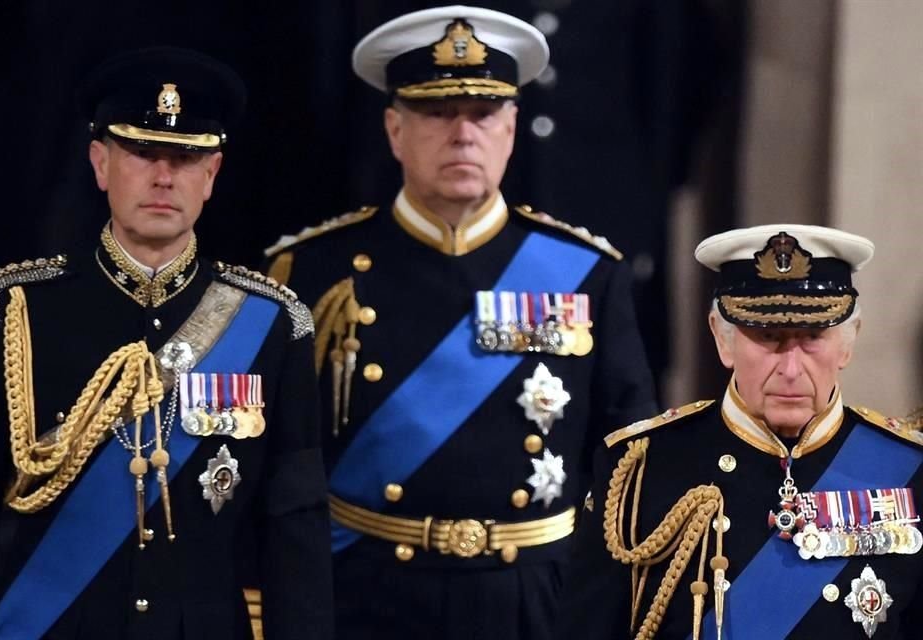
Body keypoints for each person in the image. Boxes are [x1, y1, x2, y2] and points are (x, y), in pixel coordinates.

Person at [261, 6, 656, 639]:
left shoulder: (585, 275)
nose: (463, 134)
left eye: (483, 113)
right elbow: (282, 472)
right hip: (366, 597)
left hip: (534, 602)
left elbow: (630, 470)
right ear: (394, 129)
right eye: (438, 113)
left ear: (512, 127)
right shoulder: (311, 273)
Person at [0, 46, 333, 640]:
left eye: (186, 158)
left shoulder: (272, 323)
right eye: (141, 153)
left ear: (211, 175)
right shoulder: (13, 310)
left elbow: (296, 529)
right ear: (100, 163)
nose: (164, 177)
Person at [562, 224, 923, 639]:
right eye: (768, 337)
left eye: (811, 338)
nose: (790, 369)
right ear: (722, 338)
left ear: (847, 342)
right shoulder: (640, 470)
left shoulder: (907, 470)